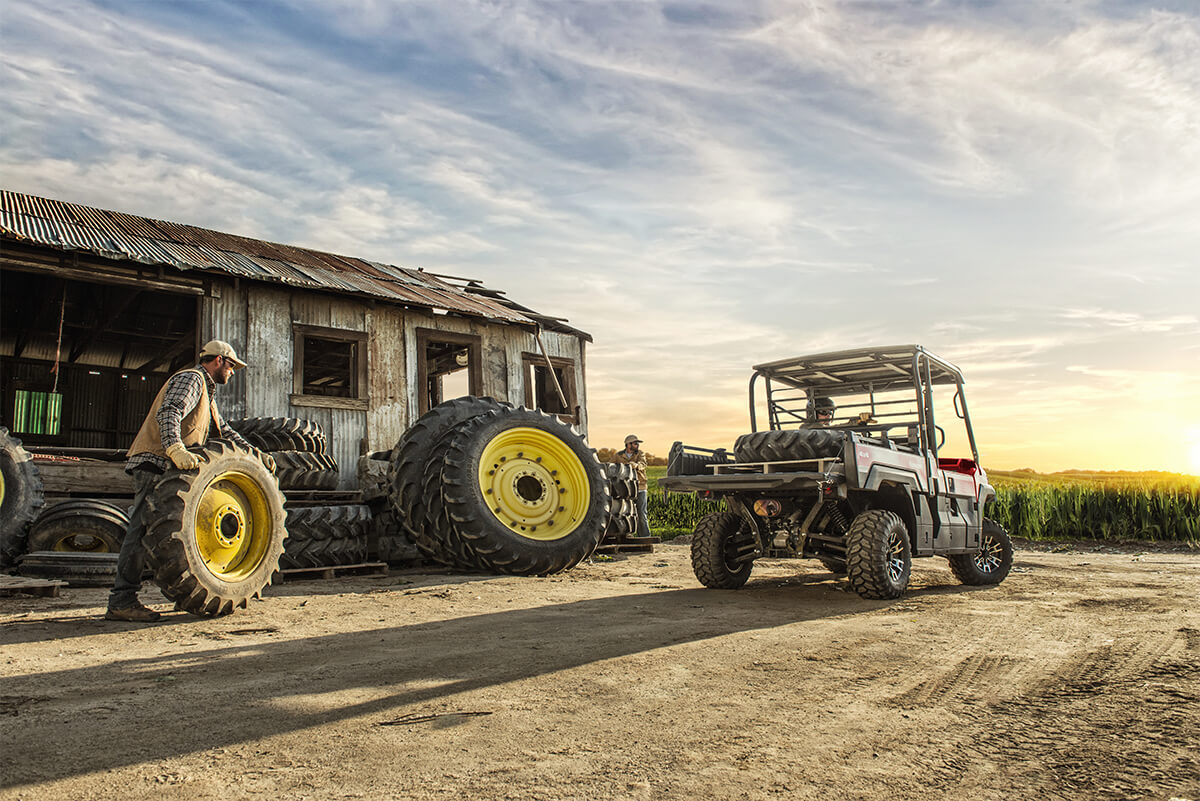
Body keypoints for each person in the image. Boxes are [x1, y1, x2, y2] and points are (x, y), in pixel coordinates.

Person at [106, 340, 271, 622]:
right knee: (141, 531)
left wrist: (256, 455)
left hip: (169, 468)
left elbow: (224, 432)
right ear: (219, 360)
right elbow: (170, 410)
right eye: (232, 366)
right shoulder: (191, 379)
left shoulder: (207, 392)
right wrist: (175, 447)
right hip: (156, 463)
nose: (232, 372)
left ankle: (174, 592)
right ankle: (122, 600)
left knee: (163, 535)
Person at [614, 434, 650, 539]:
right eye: (635, 443)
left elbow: (643, 464)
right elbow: (611, 465)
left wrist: (636, 465)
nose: (637, 445)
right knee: (625, 512)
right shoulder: (618, 455)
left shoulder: (640, 454)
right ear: (628, 444)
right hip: (625, 489)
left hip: (640, 487)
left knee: (642, 513)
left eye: (637, 443)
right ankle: (627, 536)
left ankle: (645, 537)